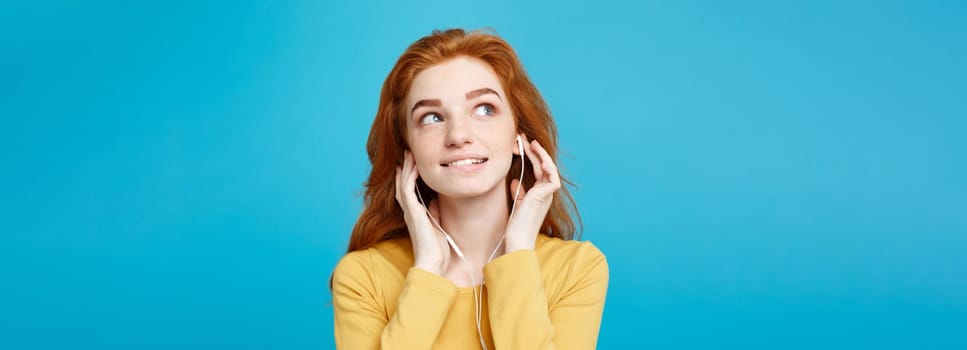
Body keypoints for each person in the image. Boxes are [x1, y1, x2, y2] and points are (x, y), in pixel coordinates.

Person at [331, 28, 609, 349]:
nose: (458, 135)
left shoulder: (576, 269)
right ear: (408, 149)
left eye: (484, 109)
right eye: (432, 117)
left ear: (518, 135)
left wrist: (518, 251)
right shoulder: (363, 278)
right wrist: (428, 270)